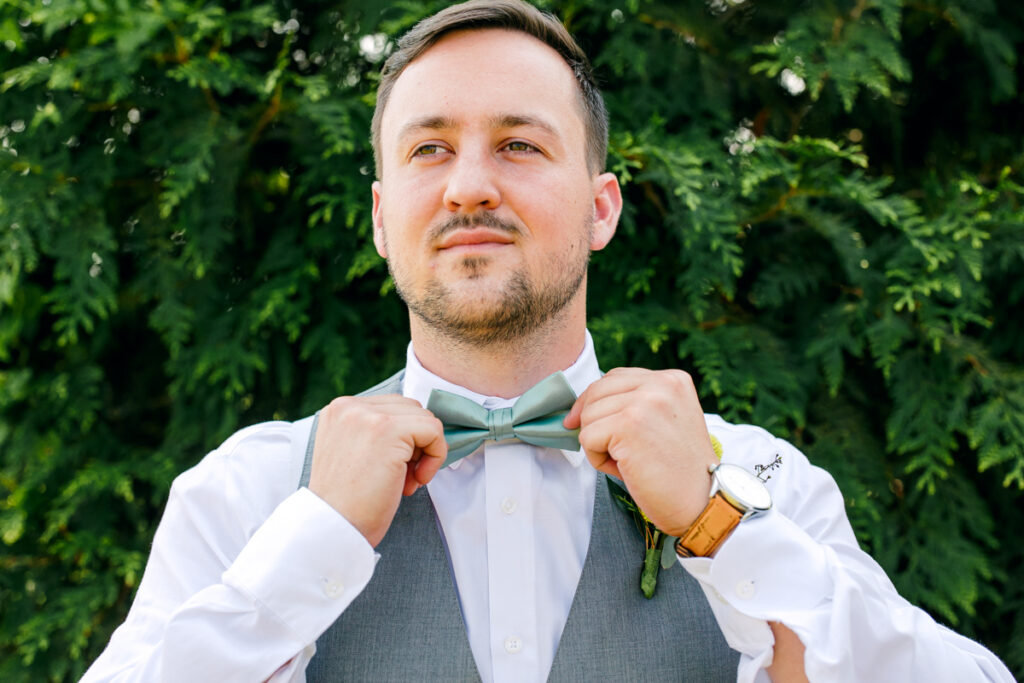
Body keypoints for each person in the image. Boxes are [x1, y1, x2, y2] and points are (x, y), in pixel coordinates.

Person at [83, 1, 1014, 681]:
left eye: (520, 146)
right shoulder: (249, 491)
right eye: (428, 150)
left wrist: (720, 526)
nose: (470, 187)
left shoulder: (757, 479)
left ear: (600, 207)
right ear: (379, 216)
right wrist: (310, 545)